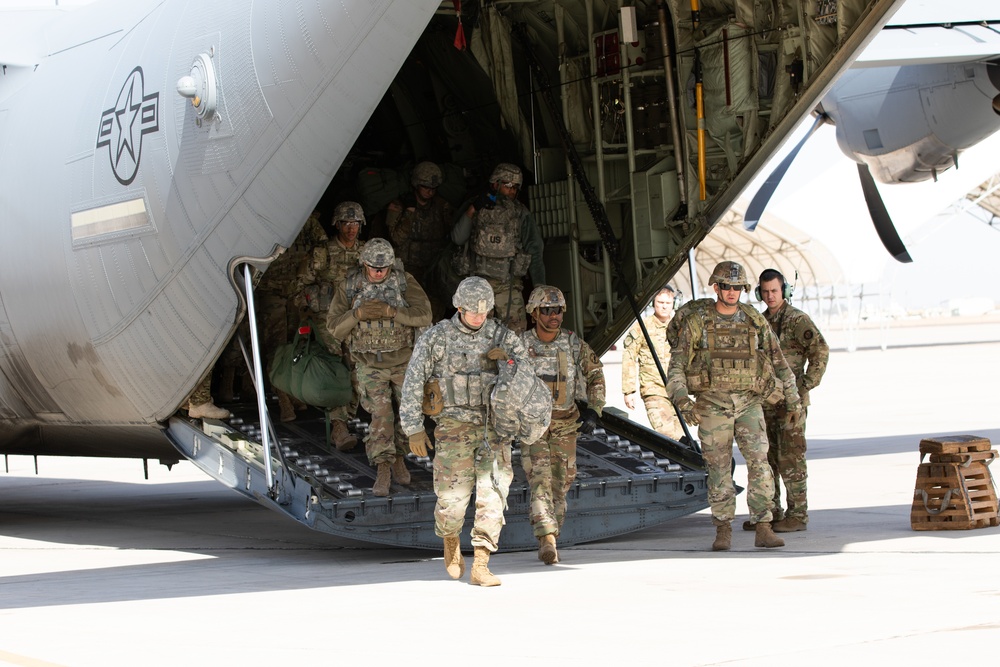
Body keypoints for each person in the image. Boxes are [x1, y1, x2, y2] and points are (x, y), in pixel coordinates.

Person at [399, 276, 533, 587]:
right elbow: (413, 382)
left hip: (494, 428)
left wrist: (510, 360)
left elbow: (528, 375)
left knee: (494, 495)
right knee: (452, 500)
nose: (479, 317)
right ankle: (450, 541)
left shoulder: (502, 336)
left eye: (485, 312)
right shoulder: (437, 338)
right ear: (459, 307)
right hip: (453, 428)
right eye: (473, 312)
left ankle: (482, 563)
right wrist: (413, 428)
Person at [666, 261, 801, 551]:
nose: (732, 292)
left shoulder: (753, 319)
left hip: (749, 403)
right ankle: (723, 528)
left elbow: (779, 361)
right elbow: (676, 365)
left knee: (759, 463)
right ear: (716, 287)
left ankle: (763, 525)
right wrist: (681, 400)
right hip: (713, 405)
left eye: (737, 287)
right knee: (717, 468)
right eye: (726, 286)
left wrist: (793, 399)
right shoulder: (698, 322)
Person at [327, 238, 432, 496]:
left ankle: (399, 455)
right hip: (369, 363)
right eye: (374, 267)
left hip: (403, 361)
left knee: (409, 414)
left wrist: (392, 312)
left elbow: (424, 315)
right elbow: (333, 327)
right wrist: (357, 315)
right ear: (364, 263)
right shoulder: (350, 285)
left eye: (383, 268)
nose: (378, 273)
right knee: (381, 415)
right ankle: (383, 467)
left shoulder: (404, 281)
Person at [520, 286, 605, 565]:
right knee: (540, 480)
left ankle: (551, 531)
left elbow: (595, 373)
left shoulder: (572, 343)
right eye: (546, 310)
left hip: (566, 424)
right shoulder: (519, 346)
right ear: (534, 313)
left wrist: (594, 409)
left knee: (562, 481)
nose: (554, 315)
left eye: (557, 310)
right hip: (534, 427)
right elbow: (502, 384)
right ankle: (547, 539)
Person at [752, 268, 829, 532]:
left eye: (774, 290)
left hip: (792, 405)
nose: (770, 296)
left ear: (784, 290)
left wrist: (804, 386)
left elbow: (820, 351)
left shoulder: (797, 320)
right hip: (766, 403)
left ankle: (798, 515)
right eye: (765, 291)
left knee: (791, 459)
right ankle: (772, 513)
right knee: (767, 458)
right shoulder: (760, 323)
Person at [298, 201, 366, 450]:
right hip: (329, 320)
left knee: (359, 368)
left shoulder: (367, 253)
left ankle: (346, 417)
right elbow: (300, 286)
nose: (351, 228)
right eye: (346, 223)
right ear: (337, 224)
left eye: (356, 223)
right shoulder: (322, 253)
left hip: (358, 319)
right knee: (337, 367)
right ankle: (339, 426)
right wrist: (313, 301)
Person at [451, 163, 545, 333]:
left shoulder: (520, 213)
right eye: (508, 185)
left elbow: (535, 250)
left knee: (515, 337)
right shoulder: (475, 206)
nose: (512, 191)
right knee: (474, 338)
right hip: (477, 286)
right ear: (495, 184)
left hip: (508, 286)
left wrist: (540, 287)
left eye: (516, 187)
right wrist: (473, 209)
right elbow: (457, 238)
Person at [385, 161, 454, 320]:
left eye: (433, 188)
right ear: (416, 184)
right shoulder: (398, 205)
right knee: (408, 313)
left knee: (434, 314)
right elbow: (397, 238)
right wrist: (409, 212)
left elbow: (454, 235)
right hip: (407, 271)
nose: (430, 192)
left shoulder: (441, 206)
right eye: (426, 187)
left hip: (433, 270)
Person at [622, 285, 684, 439]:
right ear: (653, 303)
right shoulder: (642, 328)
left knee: (682, 436)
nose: (664, 306)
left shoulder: (681, 328)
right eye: (660, 302)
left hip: (678, 390)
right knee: (667, 433)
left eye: (667, 303)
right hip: (653, 390)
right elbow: (629, 357)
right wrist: (629, 391)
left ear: (674, 305)